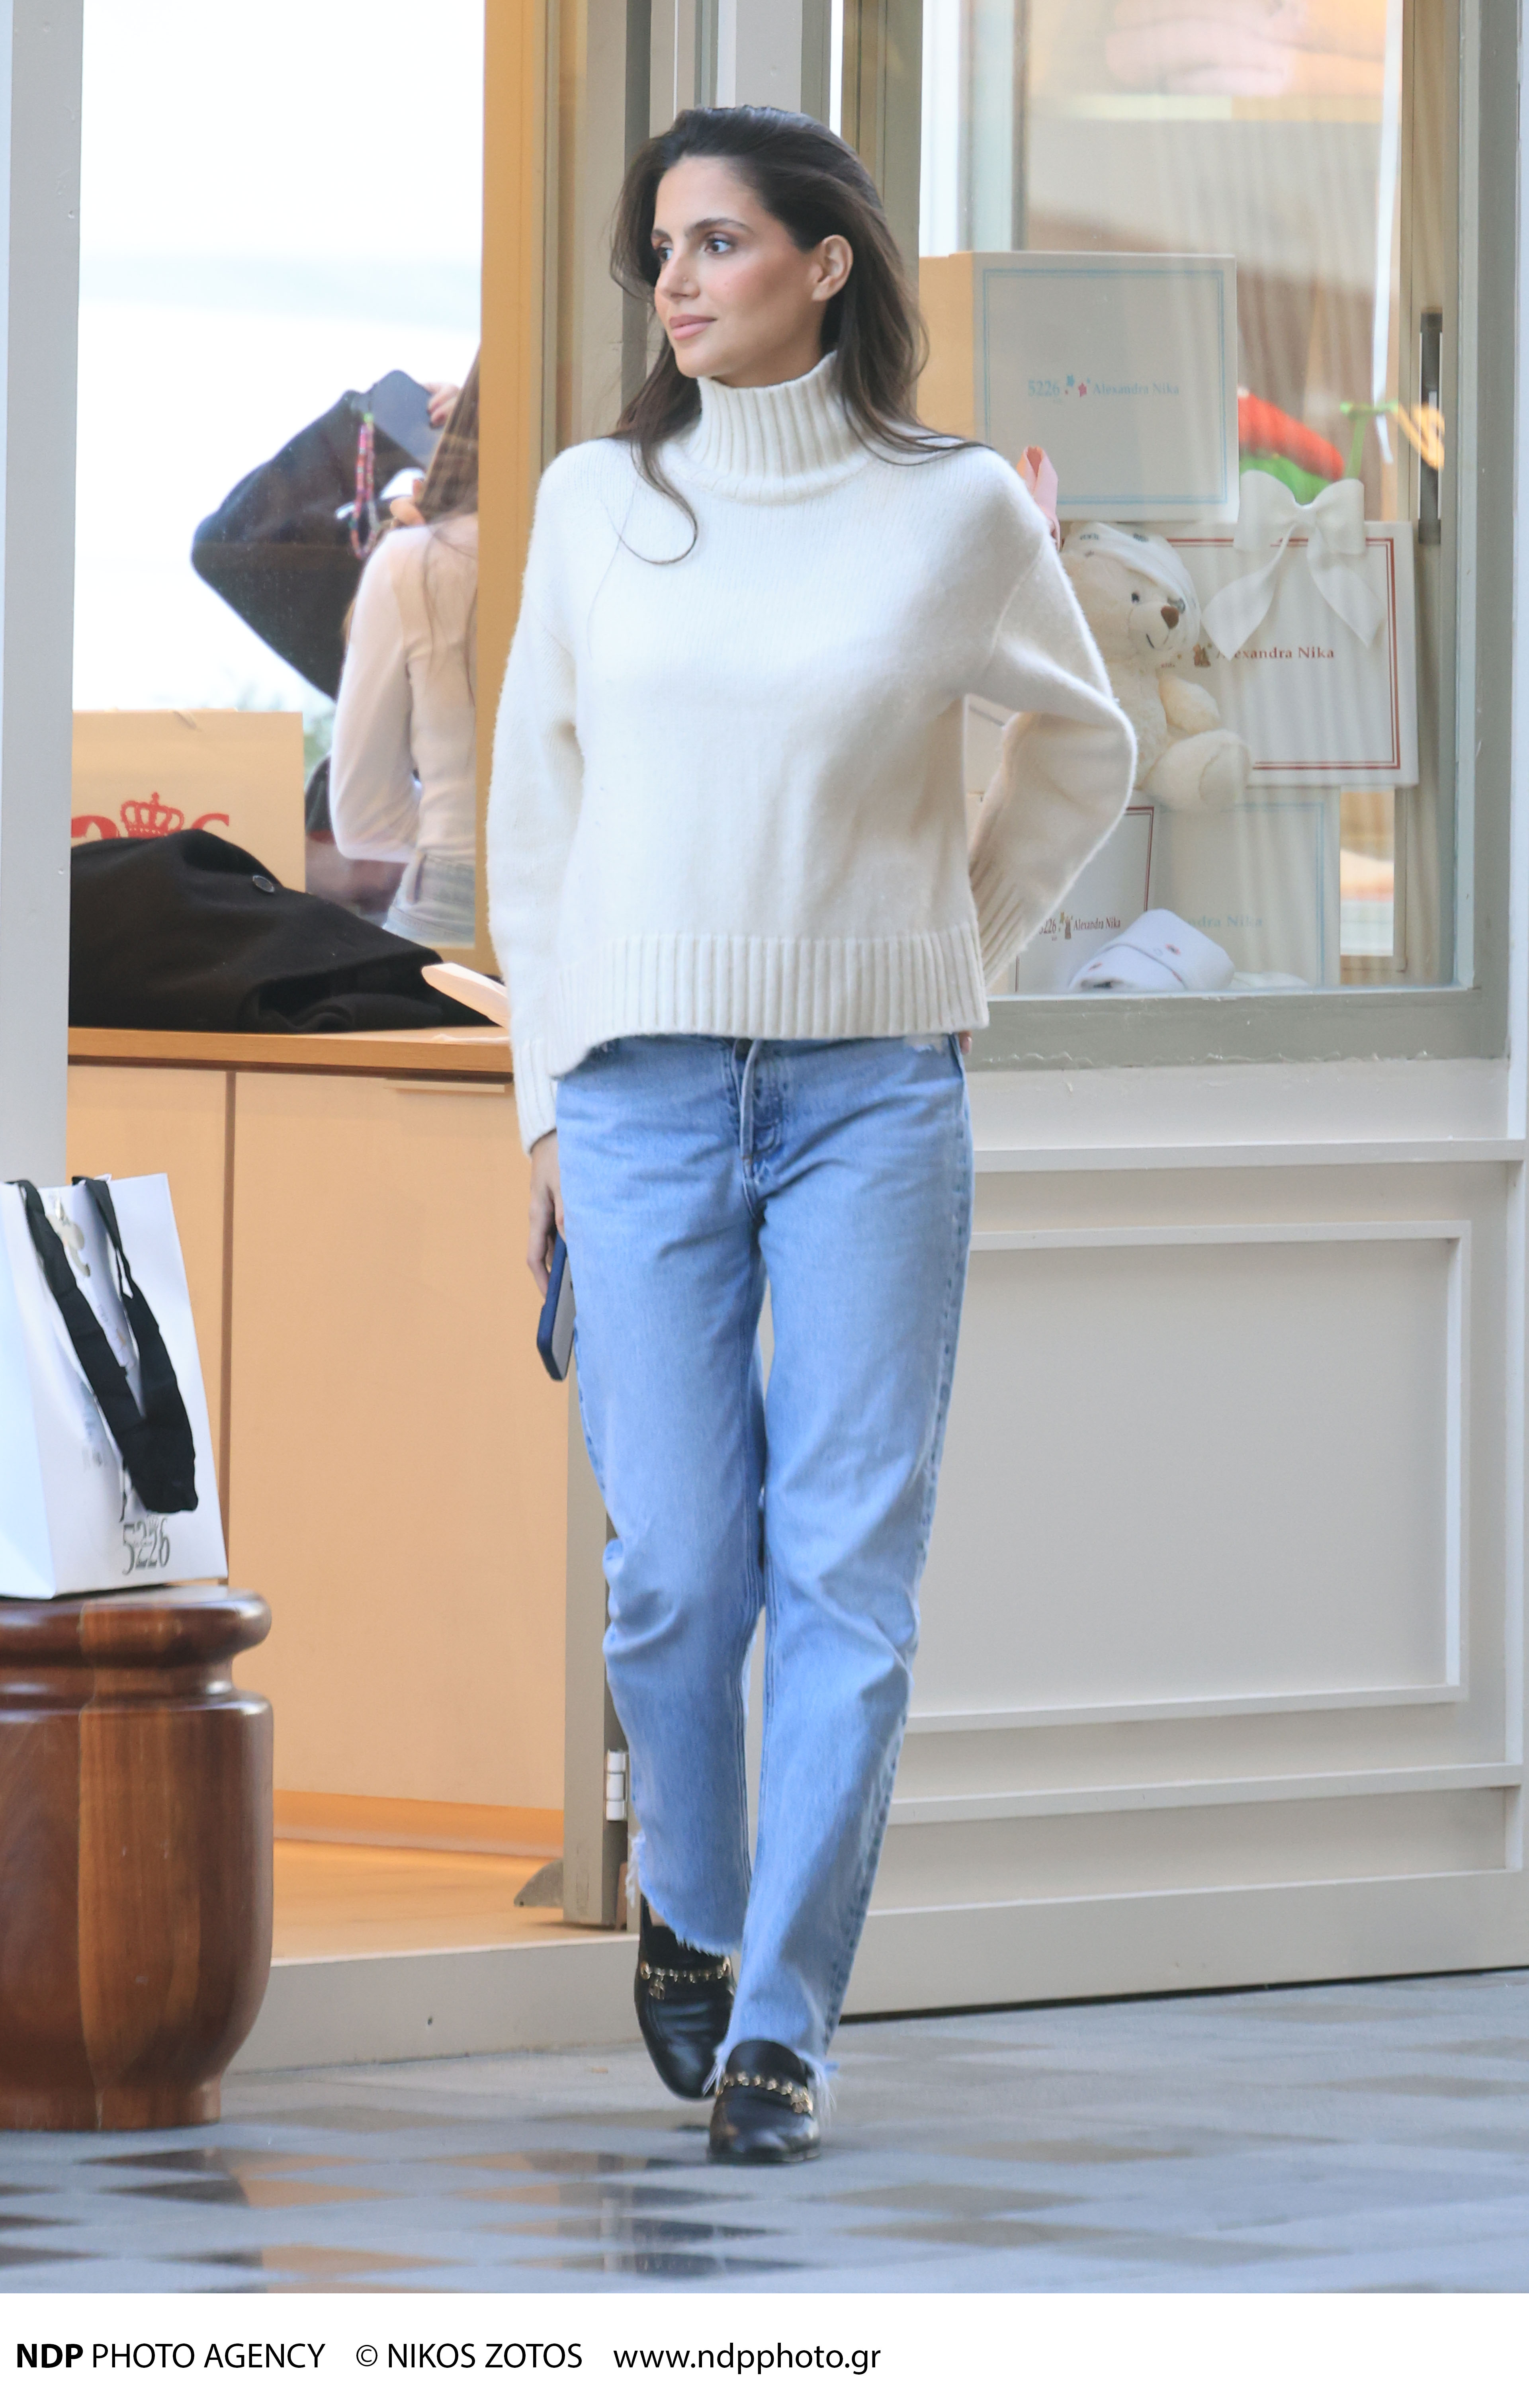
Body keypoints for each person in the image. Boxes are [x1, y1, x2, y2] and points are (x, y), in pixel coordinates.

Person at [488, 109, 1134, 2164]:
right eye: (661, 250)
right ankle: (689, 1898)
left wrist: (962, 951)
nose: (674, 284)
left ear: (826, 263)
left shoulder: (952, 513)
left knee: (850, 1567)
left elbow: (1091, 742)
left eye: (718, 243)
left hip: (875, 1095)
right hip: (639, 1096)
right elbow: (535, 820)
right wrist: (544, 1110)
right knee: (679, 1570)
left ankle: (785, 2017)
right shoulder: (599, 503)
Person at [329, 361, 480, 949]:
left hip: (453, 911)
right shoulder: (640, 542)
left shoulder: (421, 561)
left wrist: (455, 821)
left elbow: (364, 817)